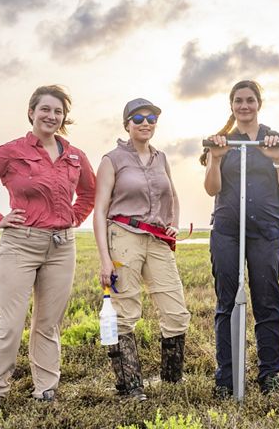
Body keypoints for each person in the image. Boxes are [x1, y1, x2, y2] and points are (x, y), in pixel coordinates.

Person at [0, 85, 96, 412]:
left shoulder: (75, 155)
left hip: (62, 247)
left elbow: (90, 194)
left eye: (58, 111)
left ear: (64, 117)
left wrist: (72, 218)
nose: (51, 116)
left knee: (48, 324)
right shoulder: (11, 152)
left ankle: (46, 390)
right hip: (20, 245)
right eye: (45, 109)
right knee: (10, 323)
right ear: (32, 112)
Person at [201, 80, 279, 396]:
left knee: (267, 301)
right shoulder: (221, 141)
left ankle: (270, 374)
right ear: (231, 105)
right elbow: (212, 189)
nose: (244, 106)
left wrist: (276, 159)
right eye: (239, 101)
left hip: (266, 230)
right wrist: (215, 158)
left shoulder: (277, 139)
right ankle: (226, 379)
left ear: (259, 103)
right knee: (226, 303)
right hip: (228, 230)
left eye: (250, 100)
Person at [93, 98, 190, 401]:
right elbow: (99, 211)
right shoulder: (112, 159)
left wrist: (172, 223)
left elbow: (171, 194)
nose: (145, 122)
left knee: (176, 312)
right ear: (127, 124)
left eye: (151, 118)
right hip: (123, 235)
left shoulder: (161, 158)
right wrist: (105, 259)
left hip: (157, 239)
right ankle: (130, 388)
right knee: (124, 313)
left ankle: (172, 384)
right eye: (138, 118)